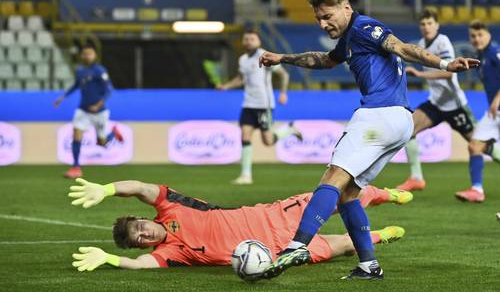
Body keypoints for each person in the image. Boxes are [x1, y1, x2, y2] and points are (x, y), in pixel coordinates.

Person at [258, 0, 478, 280]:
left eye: (327, 16)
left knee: (333, 178)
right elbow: (325, 60)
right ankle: (368, 265)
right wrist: (282, 58)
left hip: (378, 115)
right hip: (399, 120)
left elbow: (401, 47)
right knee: (349, 194)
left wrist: (445, 63)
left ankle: (297, 245)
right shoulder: (351, 37)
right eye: (318, 19)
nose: (323, 24)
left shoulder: (364, 28)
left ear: (345, 7)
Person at [68, 178, 412, 271]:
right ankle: (383, 236)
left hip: (273, 215)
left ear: (143, 217)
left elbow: (142, 188)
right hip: (275, 252)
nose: (144, 233)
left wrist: (107, 189)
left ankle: (388, 195)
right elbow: (141, 265)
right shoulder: (172, 252)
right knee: (346, 245)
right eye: (139, 238)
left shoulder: (170, 206)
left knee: (342, 195)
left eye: (139, 226)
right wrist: (111, 259)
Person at [397, 9, 478, 191]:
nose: (426, 27)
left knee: (479, 145)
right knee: (408, 129)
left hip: (454, 105)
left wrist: (419, 73)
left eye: (430, 23)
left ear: (437, 25)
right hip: (436, 103)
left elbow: (450, 73)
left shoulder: (442, 42)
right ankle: (416, 177)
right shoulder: (421, 44)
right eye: (423, 24)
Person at [217, 30, 302, 185]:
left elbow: (284, 74)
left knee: (268, 141)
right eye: (246, 38)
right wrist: (226, 86)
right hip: (248, 104)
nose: (249, 41)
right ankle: (245, 175)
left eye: (252, 39)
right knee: (245, 136)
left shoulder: (265, 56)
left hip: (264, 105)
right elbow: (241, 79)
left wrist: (283, 93)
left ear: (258, 41)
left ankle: (290, 130)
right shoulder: (242, 59)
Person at [54, 44, 123, 179]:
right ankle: (76, 167)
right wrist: (63, 97)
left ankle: (113, 133)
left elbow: (108, 90)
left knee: (102, 143)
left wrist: (98, 104)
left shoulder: (99, 70)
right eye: (85, 54)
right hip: (83, 110)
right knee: (76, 133)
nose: (87, 56)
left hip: (100, 112)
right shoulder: (80, 70)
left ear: (94, 55)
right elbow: (76, 85)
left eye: (89, 53)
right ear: (81, 55)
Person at [455, 20, 500, 203]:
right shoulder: (480, 57)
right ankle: (477, 189)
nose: (476, 39)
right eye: (473, 36)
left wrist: (497, 99)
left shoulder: (495, 53)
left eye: (480, 35)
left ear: (488, 34)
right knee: (475, 145)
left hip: (497, 106)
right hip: (494, 113)